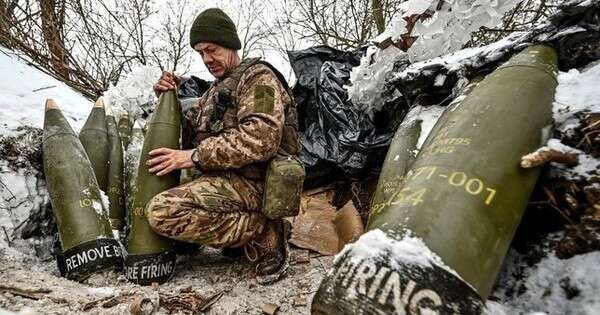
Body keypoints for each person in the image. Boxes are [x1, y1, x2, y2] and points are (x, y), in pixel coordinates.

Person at [147, 7, 300, 284]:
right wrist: (167, 99)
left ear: (231, 44)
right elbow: (189, 132)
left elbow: (262, 137)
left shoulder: (259, 79)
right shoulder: (214, 92)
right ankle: (236, 238)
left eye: (212, 49)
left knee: (163, 212)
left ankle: (263, 230)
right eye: (200, 53)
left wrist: (193, 156)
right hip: (228, 180)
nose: (207, 59)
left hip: (257, 182)